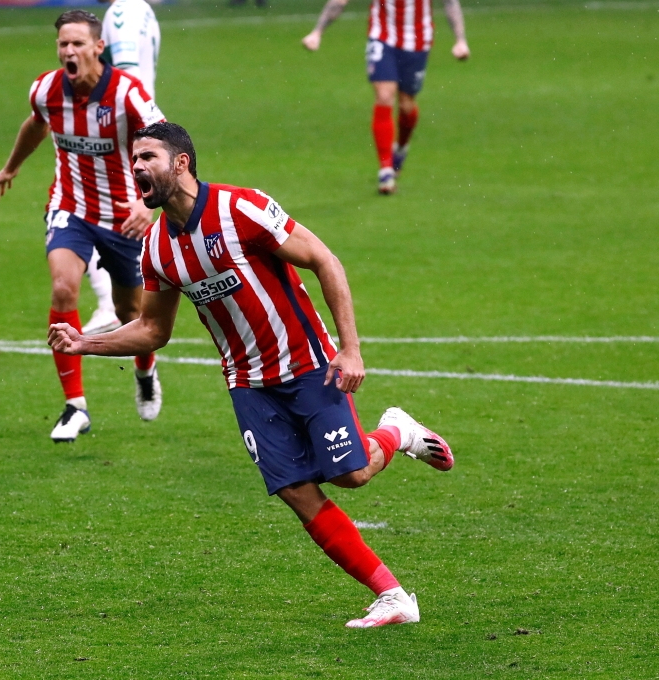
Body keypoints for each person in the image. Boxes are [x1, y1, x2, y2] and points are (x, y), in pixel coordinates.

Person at [49, 122, 455, 628]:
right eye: (133, 159)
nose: (136, 167)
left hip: (307, 364)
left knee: (350, 475)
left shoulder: (240, 208)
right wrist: (85, 342)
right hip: (247, 384)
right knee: (296, 491)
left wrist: (350, 349)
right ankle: (393, 596)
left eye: (148, 157)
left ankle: (398, 431)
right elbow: (153, 329)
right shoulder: (155, 248)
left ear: (181, 163)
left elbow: (324, 260)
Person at [0, 10, 167, 442]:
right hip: (71, 207)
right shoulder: (46, 89)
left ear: (98, 47)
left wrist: (148, 204)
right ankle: (75, 406)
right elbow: (37, 124)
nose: (69, 50)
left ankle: (145, 371)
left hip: (124, 216)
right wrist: (11, 167)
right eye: (63, 43)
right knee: (64, 288)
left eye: (78, 43)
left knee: (130, 313)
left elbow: (165, 144)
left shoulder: (127, 94)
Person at [302, 0, 470, 194]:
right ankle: (386, 171)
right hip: (382, 36)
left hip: (417, 40)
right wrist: (318, 32)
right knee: (384, 95)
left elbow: (450, 2)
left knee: (406, 105)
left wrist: (460, 39)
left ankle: (401, 148)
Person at [79, 0, 163, 336]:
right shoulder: (140, 8)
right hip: (136, 128)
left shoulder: (120, 14)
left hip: (124, 132)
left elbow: (127, 78)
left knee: (84, 207)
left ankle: (110, 303)